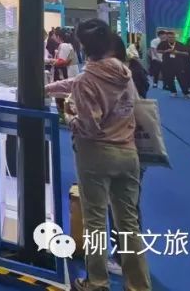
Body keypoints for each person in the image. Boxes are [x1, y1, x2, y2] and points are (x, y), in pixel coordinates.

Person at [45, 19, 150, 291]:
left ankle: (97, 282)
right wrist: (49, 88)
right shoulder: (124, 74)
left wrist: (69, 117)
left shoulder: (88, 80)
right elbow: (79, 83)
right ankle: (139, 285)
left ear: (83, 46)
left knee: (95, 221)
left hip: (96, 155)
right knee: (128, 223)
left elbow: (88, 126)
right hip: (128, 154)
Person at [158, 31, 180, 96]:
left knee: (181, 77)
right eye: (170, 37)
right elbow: (158, 50)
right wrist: (165, 51)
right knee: (169, 78)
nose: (171, 38)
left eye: (173, 37)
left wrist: (178, 52)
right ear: (167, 37)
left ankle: (185, 92)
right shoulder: (163, 43)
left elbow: (185, 52)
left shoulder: (179, 44)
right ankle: (173, 91)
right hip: (167, 63)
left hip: (178, 63)